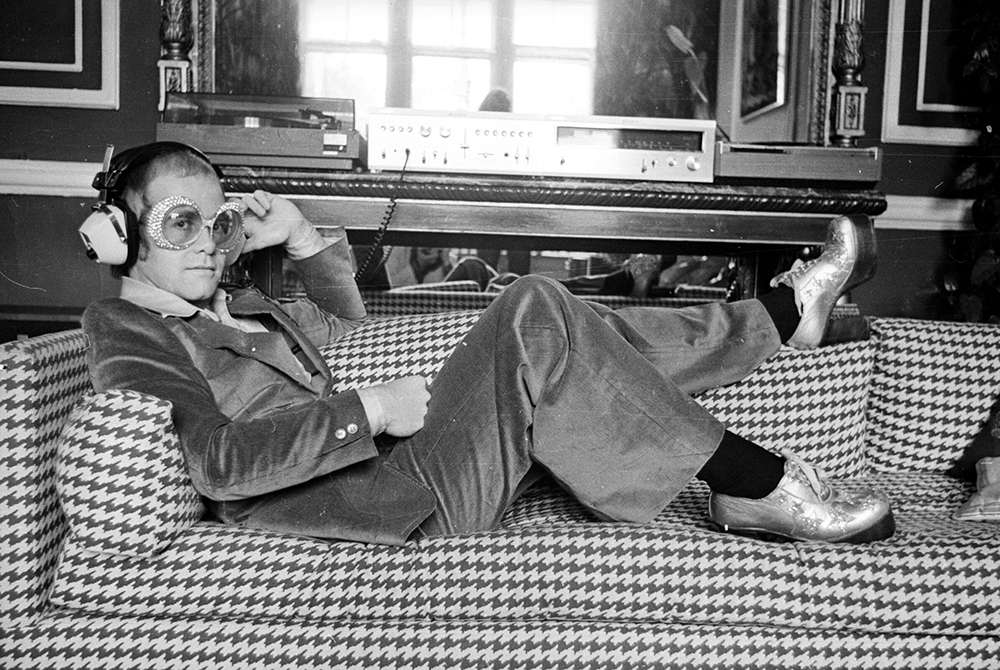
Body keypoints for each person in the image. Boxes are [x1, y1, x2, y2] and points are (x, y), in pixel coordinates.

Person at [79, 142, 894, 547]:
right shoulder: (128, 327)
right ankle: (755, 479)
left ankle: (783, 314)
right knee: (533, 305)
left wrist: (298, 240)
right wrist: (368, 410)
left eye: (218, 220)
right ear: (118, 235)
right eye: (180, 222)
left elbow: (351, 333)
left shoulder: (242, 303)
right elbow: (218, 465)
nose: (208, 240)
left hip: (403, 460)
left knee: (574, 325)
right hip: (387, 497)